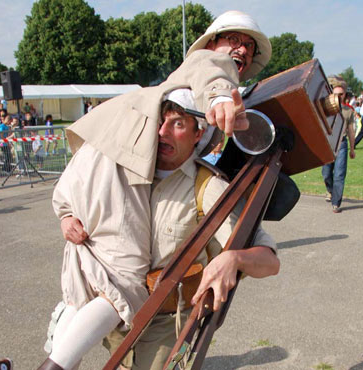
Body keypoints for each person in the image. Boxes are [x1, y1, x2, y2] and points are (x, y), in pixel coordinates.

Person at [39, 11, 275, 370]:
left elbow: (270, 257)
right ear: (211, 43)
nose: (241, 50)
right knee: (122, 279)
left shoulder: (203, 185)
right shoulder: (206, 66)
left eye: (249, 46)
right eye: (234, 40)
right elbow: (211, 73)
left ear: (197, 134)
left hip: (160, 326)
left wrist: (234, 258)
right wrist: (219, 98)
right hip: (119, 318)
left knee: (98, 282)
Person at [322, 76, 356, 213]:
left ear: (344, 95)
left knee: (339, 175)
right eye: (335, 94)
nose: (338, 97)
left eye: (341, 94)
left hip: (341, 144)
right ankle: (330, 191)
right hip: (328, 144)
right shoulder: (326, 108)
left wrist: (352, 149)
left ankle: (336, 203)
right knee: (326, 173)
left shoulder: (348, 111)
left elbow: (351, 131)